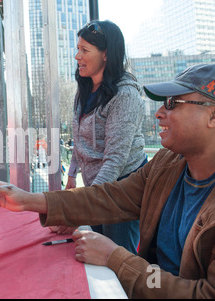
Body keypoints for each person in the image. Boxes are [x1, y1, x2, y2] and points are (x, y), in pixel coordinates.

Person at [0, 64, 215, 299]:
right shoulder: (168, 163)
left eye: (172, 103)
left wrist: (114, 258)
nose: (159, 113)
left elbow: (209, 294)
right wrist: (30, 200)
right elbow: (112, 197)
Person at [65, 20, 147, 254]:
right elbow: (79, 138)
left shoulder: (125, 95)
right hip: (98, 186)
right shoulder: (84, 89)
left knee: (117, 255)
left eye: (84, 50)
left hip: (122, 187)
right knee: (95, 250)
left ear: (105, 54)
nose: (76, 56)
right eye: (77, 48)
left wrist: (82, 208)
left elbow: (114, 160)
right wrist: (72, 174)